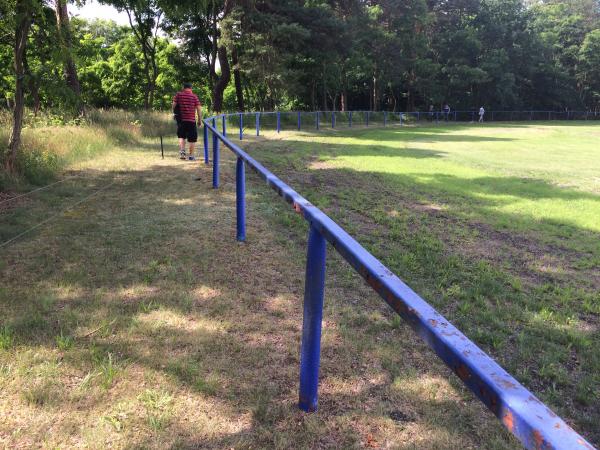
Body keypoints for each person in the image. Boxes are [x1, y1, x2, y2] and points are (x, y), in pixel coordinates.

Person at [172, 82, 202, 160]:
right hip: (191, 120)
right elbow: (199, 109)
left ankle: (182, 153)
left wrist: (174, 113)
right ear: (191, 88)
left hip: (181, 120)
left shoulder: (179, 95)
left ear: (183, 88)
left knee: (181, 136)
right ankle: (191, 156)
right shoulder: (194, 97)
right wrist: (199, 120)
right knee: (192, 139)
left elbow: (174, 105)